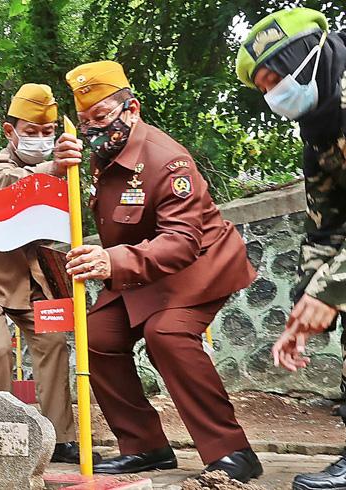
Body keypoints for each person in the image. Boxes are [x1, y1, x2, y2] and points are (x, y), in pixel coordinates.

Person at [235, 7, 346, 489]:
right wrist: (304, 310)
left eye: (276, 77)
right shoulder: (320, 139)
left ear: (310, 57)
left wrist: (334, 287)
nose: (274, 94)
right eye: (263, 88)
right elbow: (325, 231)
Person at [57, 61, 262, 481]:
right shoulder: (102, 155)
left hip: (198, 266)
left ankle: (233, 451)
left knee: (166, 334)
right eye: (84, 121)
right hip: (140, 270)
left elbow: (182, 241)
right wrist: (59, 170)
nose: (93, 128)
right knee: (95, 336)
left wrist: (110, 261)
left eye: (101, 117)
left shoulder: (168, 160)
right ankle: (144, 447)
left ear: (131, 109)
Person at [0, 83, 91, 464]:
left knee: (54, 346)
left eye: (48, 133)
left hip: (33, 284)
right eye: (31, 131)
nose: (41, 139)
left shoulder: (64, 176)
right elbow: (7, 183)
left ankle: (58, 438)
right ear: (9, 131)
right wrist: (53, 167)